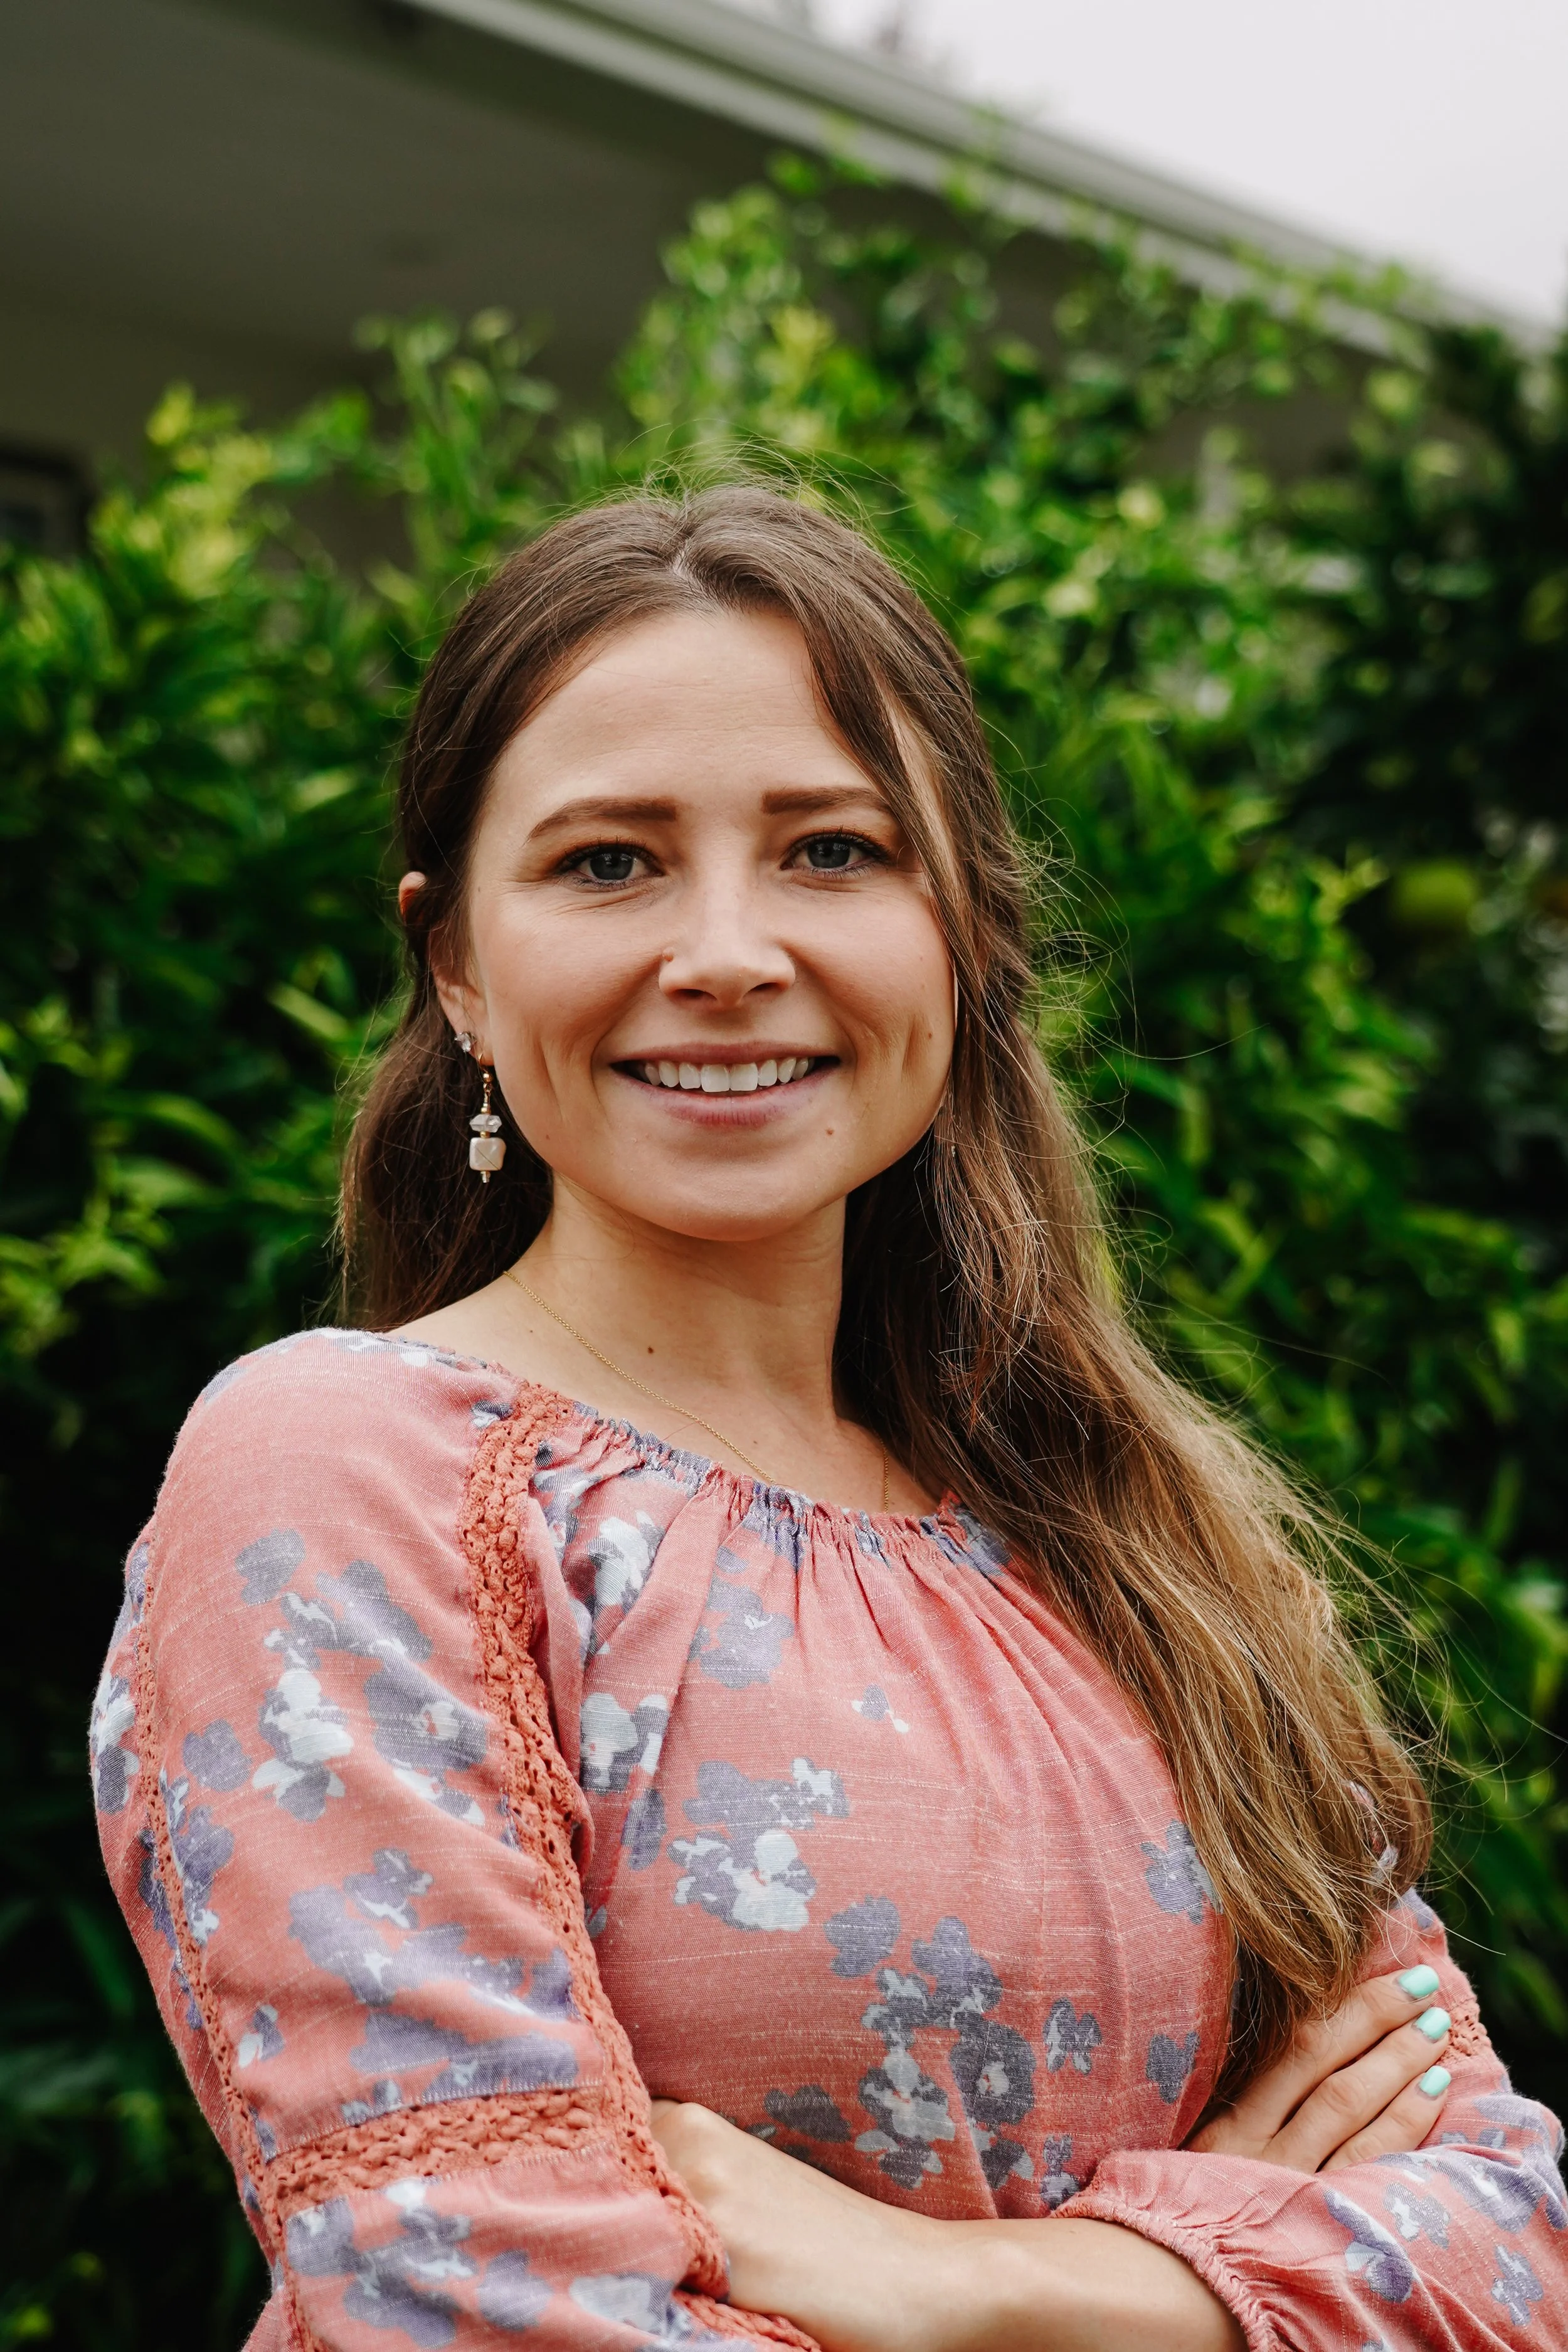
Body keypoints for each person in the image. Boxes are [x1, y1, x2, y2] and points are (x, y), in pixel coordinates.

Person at [93, 488, 1564, 2352]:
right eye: (608, 862)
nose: (723, 948)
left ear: (959, 933)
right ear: (456, 961)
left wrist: (991, 2293)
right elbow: (480, 2311)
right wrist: (1221, 2281)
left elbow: (1507, 2242)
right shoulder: (351, 1473)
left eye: (831, 850)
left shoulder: (1128, 1529)